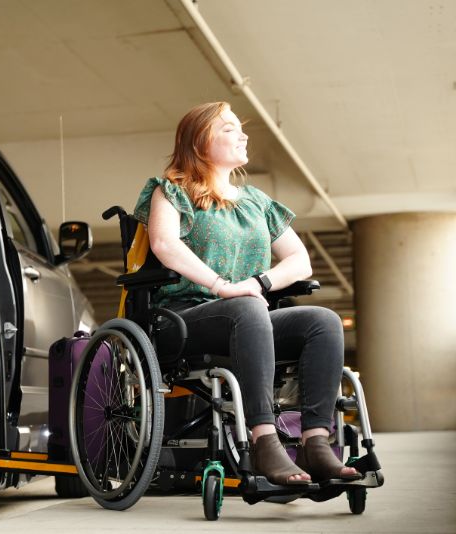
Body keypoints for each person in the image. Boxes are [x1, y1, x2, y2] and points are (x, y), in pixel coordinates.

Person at [132, 102, 359, 485]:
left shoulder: (256, 201)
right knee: (247, 310)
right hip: (183, 318)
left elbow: (300, 261)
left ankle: (315, 442)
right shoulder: (170, 191)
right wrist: (222, 287)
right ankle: (264, 441)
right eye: (229, 129)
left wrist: (258, 284)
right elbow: (165, 244)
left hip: (248, 314)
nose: (243, 135)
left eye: (241, 128)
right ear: (201, 143)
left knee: (323, 321)